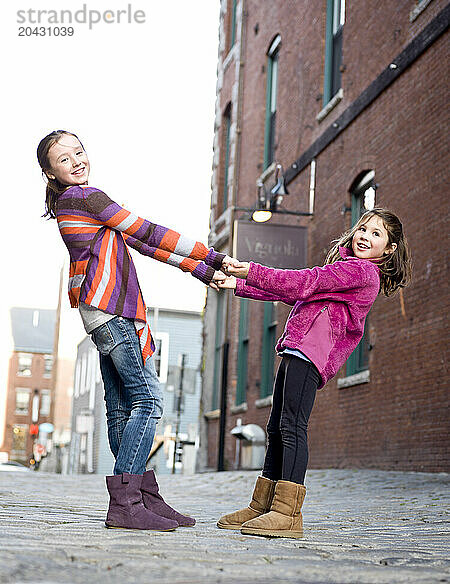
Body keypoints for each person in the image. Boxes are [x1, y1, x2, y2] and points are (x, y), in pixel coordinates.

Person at [37, 130, 231, 532]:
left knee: (122, 407)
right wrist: (211, 255)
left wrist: (200, 271)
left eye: (79, 151)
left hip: (98, 313)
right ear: (49, 172)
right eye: (63, 158)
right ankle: (127, 502)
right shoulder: (85, 197)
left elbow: (141, 244)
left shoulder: (76, 204)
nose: (75, 161)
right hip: (113, 310)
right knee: (149, 401)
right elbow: (146, 229)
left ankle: (142, 496)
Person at [217, 209, 412, 538]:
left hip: (312, 352)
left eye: (376, 234)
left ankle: (287, 513)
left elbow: (304, 282)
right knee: (276, 427)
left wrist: (250, 270)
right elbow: (292, 292)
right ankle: (263, 506)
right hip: (297, 347)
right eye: (363, 228)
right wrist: (237, 283)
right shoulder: (344, 268)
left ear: (389, 249)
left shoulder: (363, 272)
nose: (365, 235)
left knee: (292, 426)